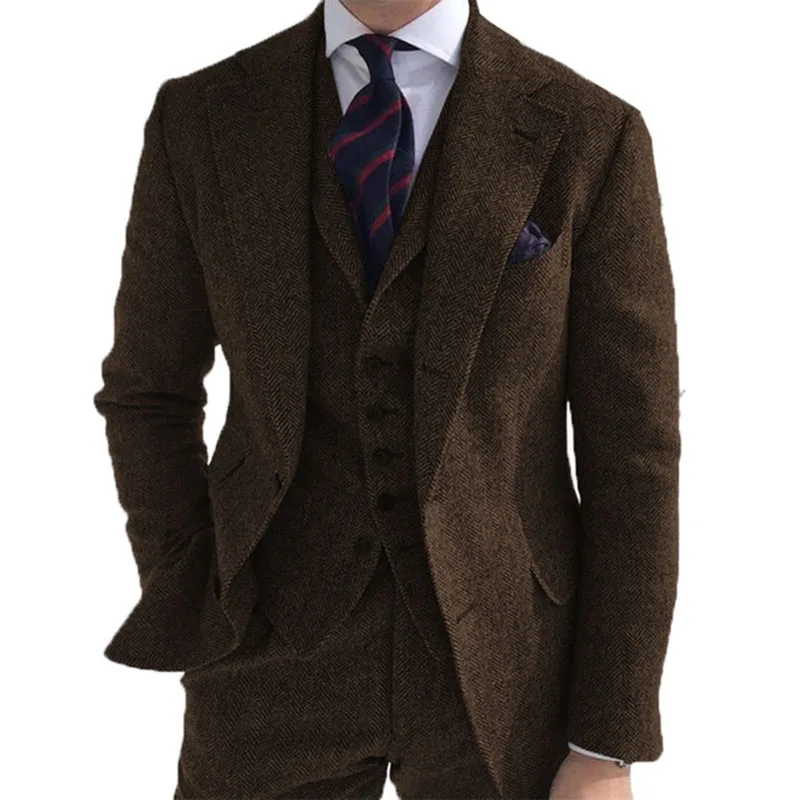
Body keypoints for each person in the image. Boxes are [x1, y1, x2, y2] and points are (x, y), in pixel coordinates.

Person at [93, 0, 680, 797]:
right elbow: (147, 391)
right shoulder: (203, 116)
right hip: (266, 656)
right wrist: (194, 585)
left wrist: (607, 742)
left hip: (511, 670)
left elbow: (633, 453)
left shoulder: (592, 133)